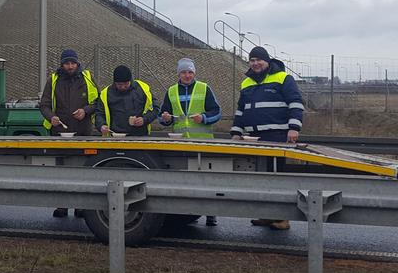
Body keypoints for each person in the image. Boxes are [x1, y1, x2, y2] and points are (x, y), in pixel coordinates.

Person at [230, 46, 304, 230]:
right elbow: (241, 110)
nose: (255, 63)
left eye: (259, 60)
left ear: (267, 61)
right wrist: (236, 132)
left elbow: (296, 103)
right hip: (254, 138)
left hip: (277, 136)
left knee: (277, 178)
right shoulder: (246, 83)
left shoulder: (282, 78)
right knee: (261, 179)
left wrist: (294, 128)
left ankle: (282, 218)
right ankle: (267, 215)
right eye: (252, 60)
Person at [160, 57, 222, 226]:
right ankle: (184, 213)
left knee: (206, 180)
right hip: (179, 144)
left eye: (190, 72)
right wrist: (166, 119)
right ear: (178, 74)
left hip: (202, 143)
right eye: (183, 72)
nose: (187, 75)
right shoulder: (171, 91)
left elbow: (217, 112)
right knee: (182, 180)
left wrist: (203, 118)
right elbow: (163, 116)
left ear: (194, 73)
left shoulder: (204, 88)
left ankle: (211, 214)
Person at [39, 49, 99, 218]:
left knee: (83, 171)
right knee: (61, 171)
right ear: (62, 64)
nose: (70, 66)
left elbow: (97, 102)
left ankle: (81, 206)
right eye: (67, 63)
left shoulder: (87, 78)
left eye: (73, 63)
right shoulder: (53, 80)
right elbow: (44, 105)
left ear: (77, 63)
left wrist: (85, 111)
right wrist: (51, 117)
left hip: (83, 132)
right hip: (60, 133)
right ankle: (62, 205)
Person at [95, 65, 158, 137]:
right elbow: (99, 113)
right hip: (116, 136)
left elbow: (155, 108)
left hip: (140, 135)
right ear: (114, 82)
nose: (123, 87)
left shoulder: (142, 89)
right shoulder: (106, 94)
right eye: (119, 84)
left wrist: (145, 119)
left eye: (126, 84)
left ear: (130, 80)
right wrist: (101, 125)